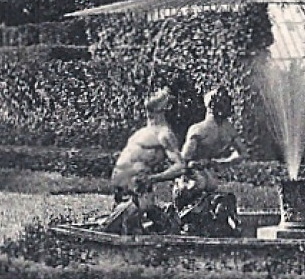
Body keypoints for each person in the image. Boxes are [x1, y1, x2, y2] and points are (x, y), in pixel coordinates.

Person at [101, 88, 183, 235]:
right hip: (124, 191)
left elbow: (180, 167)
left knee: (124, 232)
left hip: (138, 193)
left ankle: (164, 220)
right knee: (121, 229)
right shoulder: (143, 131)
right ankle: (163, 218)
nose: (153, 93)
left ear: (167, 106)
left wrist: (152, 179)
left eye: (159, 94)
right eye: (154, 92)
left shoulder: (165, 134)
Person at [170, 89, 243, 237]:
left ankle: (188, 220)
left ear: (208, 106)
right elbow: (242, 154)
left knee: (196, 186)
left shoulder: (198, 130)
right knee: (217, 192)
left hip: (195, 180)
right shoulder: (228, 130)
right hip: (210, 177)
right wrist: (221, 163)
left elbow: (183, 160)